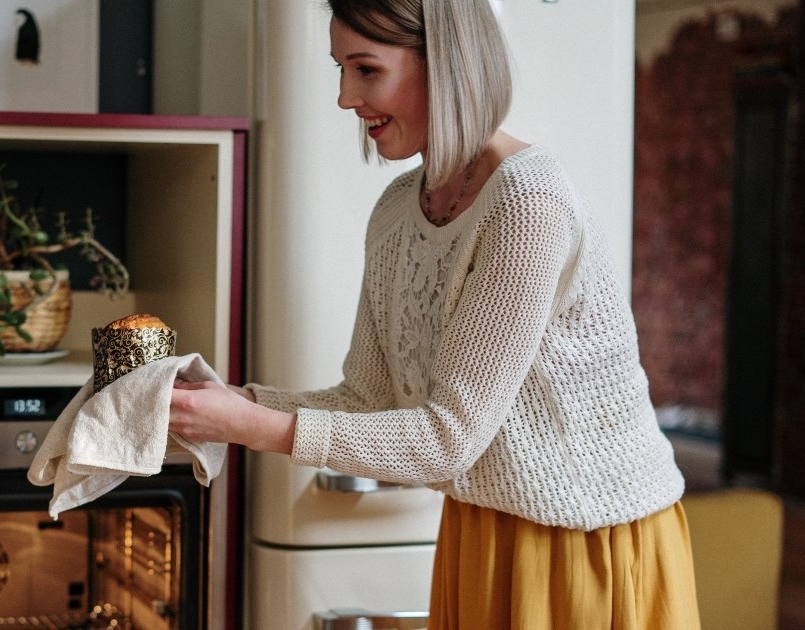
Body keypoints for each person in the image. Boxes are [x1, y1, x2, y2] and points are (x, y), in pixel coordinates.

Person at [168, 0, 701, 627]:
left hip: (581, 541)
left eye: (366, 70)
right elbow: (367, 399)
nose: (345, 98)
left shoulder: (528, 203)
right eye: (341, 69)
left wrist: (251, 426)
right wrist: (235, 402)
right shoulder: (397, 209)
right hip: (481, 530)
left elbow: (448, 439)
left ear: (446, 63)